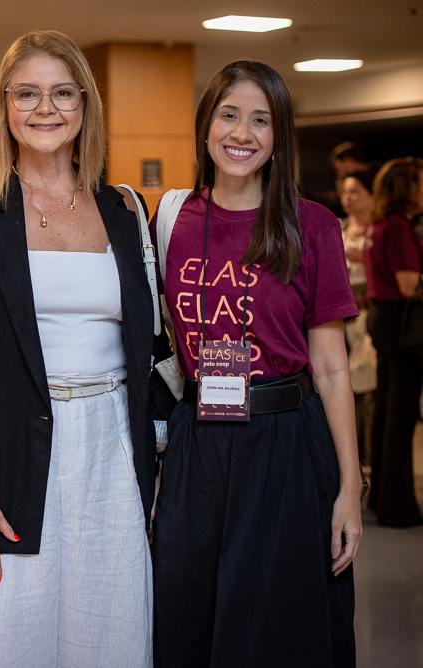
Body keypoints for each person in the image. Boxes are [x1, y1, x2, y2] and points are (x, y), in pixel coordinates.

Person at [0, 30, 177, 667]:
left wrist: (159, 460)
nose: (45, 108)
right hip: (1, 456)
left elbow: (151, 343)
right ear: (3, 106)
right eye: (26, 93)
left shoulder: (124, 209)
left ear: (86, 104)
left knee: (110, 640)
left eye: (62, 93)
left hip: (111, 451)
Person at [152, 60, 361, 668]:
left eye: (261, 120)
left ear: (279, 135)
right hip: (197, 445)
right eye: (229, 115)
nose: (242, 133)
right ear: (206, 125)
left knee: (276, 629)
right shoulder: (171, 220)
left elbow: (332, 369)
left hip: (285, 444)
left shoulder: (311, 225)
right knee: (188, 618)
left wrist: (351, 487)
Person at [363, 156, 423, 527]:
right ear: (406, 188)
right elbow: (408, 284)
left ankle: (383, 498)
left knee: (388, 409)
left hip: (382, 318)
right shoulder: (398, 226)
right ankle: (396, 507)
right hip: (402, 324)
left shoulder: (379, 224)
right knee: (400, 413)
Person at [339, 167, 378, 467]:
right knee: (344, 383)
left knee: (369, 385)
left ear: (371, 195)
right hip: (342, 317)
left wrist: (364, 258)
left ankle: (371, 454)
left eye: (354, 191)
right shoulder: (338, 228)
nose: (347, 197)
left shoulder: (378, 230)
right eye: (344, 191)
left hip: (370, 315)